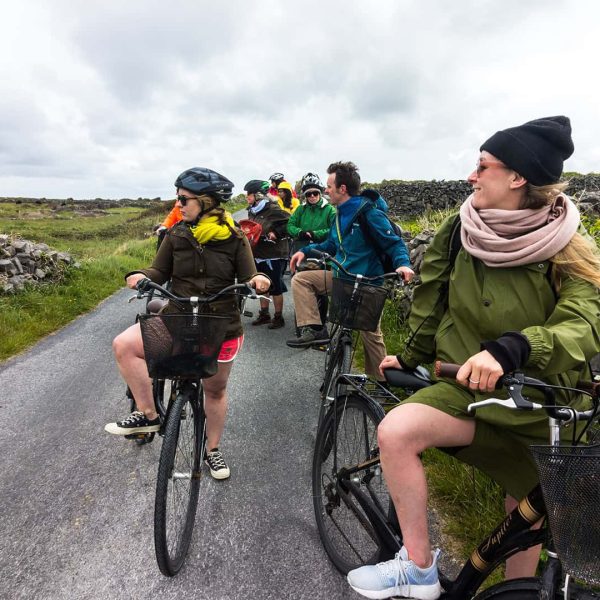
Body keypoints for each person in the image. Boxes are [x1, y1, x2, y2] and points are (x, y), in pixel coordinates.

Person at [346, 116, 600, 600]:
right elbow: (430, 296)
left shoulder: (568, 247)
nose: (471, 176)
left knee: (522, 511)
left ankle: (516, 591)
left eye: (482, 166)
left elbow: (584, 321)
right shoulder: (459, 228)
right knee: (397, 430)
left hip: (538, 400)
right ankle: (416, 566)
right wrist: (411, 355)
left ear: (518, 177)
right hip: (466, 388)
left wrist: (518, 348)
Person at [105, 168, 270, 481]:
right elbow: (158, 271)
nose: (178, 204)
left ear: (206, 202)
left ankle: (212, 450)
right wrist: (140, 276)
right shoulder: (177, 234)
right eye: (177, 197)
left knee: (215, 390)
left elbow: (251, 275)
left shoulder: (235, 237)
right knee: (124, 345)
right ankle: (149, 414)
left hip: (220, 326)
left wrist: (259, 280)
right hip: (176, 318)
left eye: (184, 199)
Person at [286, 161, 414, 383]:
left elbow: (394, 244)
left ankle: (379, 385)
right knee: (302, 279)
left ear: (342, 189)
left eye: (328, 186)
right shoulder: (338, 214)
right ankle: (316, 329)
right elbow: (331, 245)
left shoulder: (369, 214)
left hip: (367, 283)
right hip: (341, 277)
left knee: (370, 334)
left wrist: (403, 264)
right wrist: (305, 252)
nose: (326, 190)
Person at [243, 179, 291, 329]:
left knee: (275, 286)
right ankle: (264, 314)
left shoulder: (273, 208)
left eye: (249, 195)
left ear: (257, 195)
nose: (247, 197)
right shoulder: (252, 210)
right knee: (261, 286)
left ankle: (278, 317)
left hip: (274, 254)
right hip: (258, 253)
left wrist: (275, 232)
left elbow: (290, 223)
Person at [286, 173, 336, 253]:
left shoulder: (330, 210)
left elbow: (334, 230)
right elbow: (290, 225)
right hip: (301, 252)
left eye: (315, 193)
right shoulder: (300, 209)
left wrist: (315, 234)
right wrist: (300, 233)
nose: (312, 196)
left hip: (323, 254)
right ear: (305, 196)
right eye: (309, 194)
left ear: (319, 193)